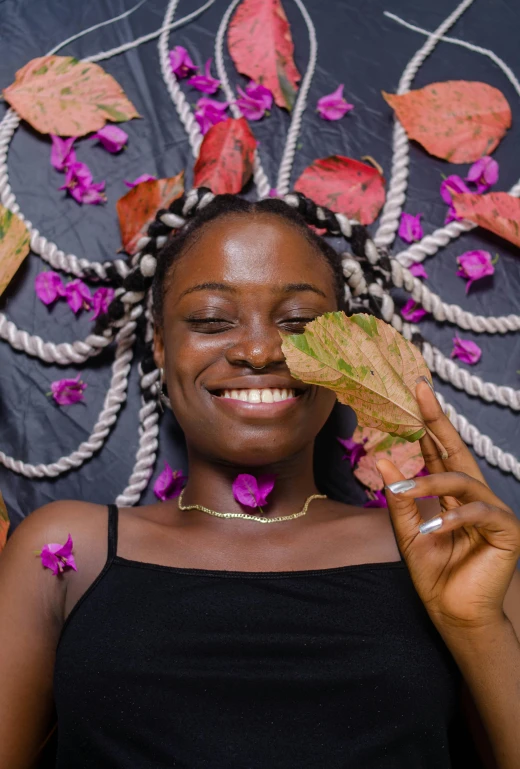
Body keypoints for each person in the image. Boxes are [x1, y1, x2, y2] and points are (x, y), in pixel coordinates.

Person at [0, 195, 519, 769]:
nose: (259, 350)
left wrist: (476, 625)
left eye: (298, 322)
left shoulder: (444, 548)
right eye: (210, 321)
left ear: (344, 351)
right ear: (161, 345)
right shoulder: (72, 553)